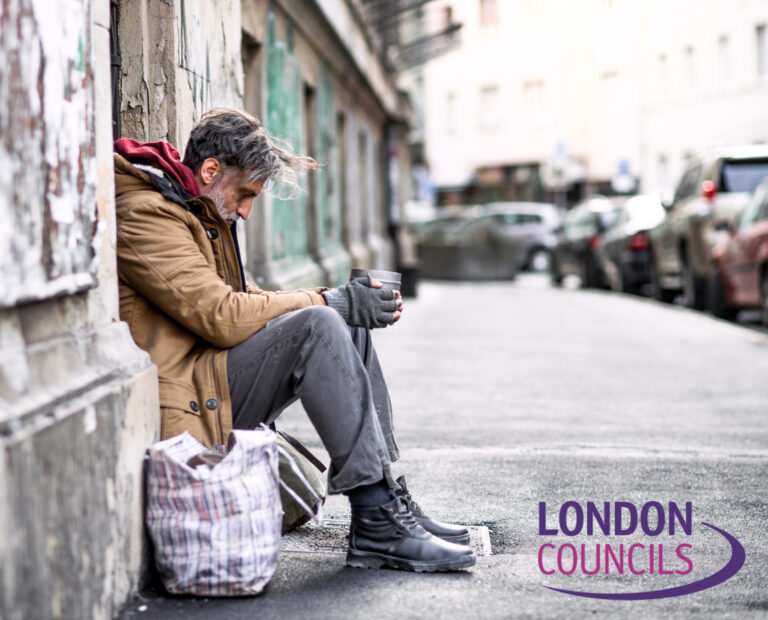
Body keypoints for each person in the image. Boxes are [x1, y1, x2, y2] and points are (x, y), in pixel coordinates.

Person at [114, 108, 474, 573]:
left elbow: (240, 298)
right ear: (210, 171)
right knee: (320, 323)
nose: (245, 210)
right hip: (189, 399)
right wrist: (324, 300)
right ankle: (377, 525)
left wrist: (343, 303)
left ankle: (387, 500)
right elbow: (220, 315)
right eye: (245, 193)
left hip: (213, 378)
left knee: (342, 321)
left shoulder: (191, 207)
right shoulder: (147, 214)